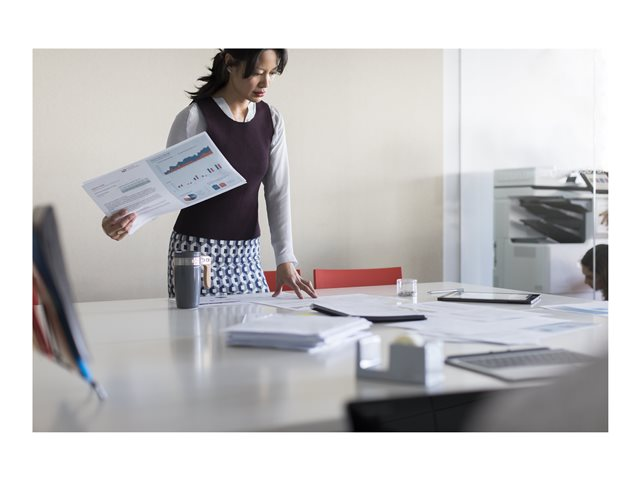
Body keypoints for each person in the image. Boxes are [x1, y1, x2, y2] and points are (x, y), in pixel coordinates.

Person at [101, 49, 316, 299]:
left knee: (255, 323)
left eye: (272, 73)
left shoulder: (272, 119)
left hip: (247, 253)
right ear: (230, 63)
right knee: (198, 325)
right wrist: (127, 221)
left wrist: (285, 258)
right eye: (258, 73)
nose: (265, 83)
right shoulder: (194, 118)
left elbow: (278, 192)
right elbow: (168, 189)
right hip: (195, 252)